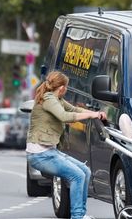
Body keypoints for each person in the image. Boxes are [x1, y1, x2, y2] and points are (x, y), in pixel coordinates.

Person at [26, 71, 106, 219]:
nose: (67, 89)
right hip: (40, 154)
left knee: (85, 172)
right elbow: (64, 116)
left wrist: (96, 113)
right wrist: (90, 115)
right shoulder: (48, 99)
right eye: (67, 87)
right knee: (77, 176)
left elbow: (75, 110)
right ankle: (77, 216)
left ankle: (80, 213)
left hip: (49, 151)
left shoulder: (58, 99)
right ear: (62, 87)